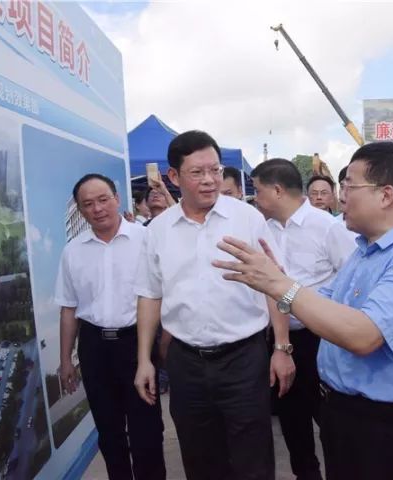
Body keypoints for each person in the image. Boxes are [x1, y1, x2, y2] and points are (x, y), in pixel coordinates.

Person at [215, 142, 393, 480]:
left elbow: (364, 335)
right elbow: (318, 305)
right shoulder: (366, 252)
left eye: (349, 186)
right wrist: (276, 285)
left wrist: (281, 286)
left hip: (391, 428)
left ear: (386, 195)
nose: (340, 196)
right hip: (346, 415)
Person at [134, 130, 295, 480]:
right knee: (199, 455)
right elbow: (149, 295)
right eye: (197, 172)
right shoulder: (158, 230)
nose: (209, 180)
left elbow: (275, 285)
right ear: (173, 177)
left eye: (215, 170)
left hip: (244, 359)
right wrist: (144, 359)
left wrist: (282, 348)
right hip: (186, 362)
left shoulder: (247, 219)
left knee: (253, 456)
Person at [251, 158, 356, 480]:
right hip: (281, 341)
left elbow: (353, 281)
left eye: (257, 190)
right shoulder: (261, 230)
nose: (255, 198)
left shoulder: (328, 227)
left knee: (333, 422)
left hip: (323, 338)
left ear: (278, 190)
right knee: (292, 421)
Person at [55, 173, 165, 480]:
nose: (98, 208)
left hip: (137, 344)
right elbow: (69, 309)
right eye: (88, 204)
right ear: (80, 210)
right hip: (94, 347)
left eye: (103, 199)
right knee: (109, 430)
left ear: (117, 198)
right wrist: (66, 361)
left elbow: (162, 295)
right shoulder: (73, 251)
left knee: (147, 431)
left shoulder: (146, 240)